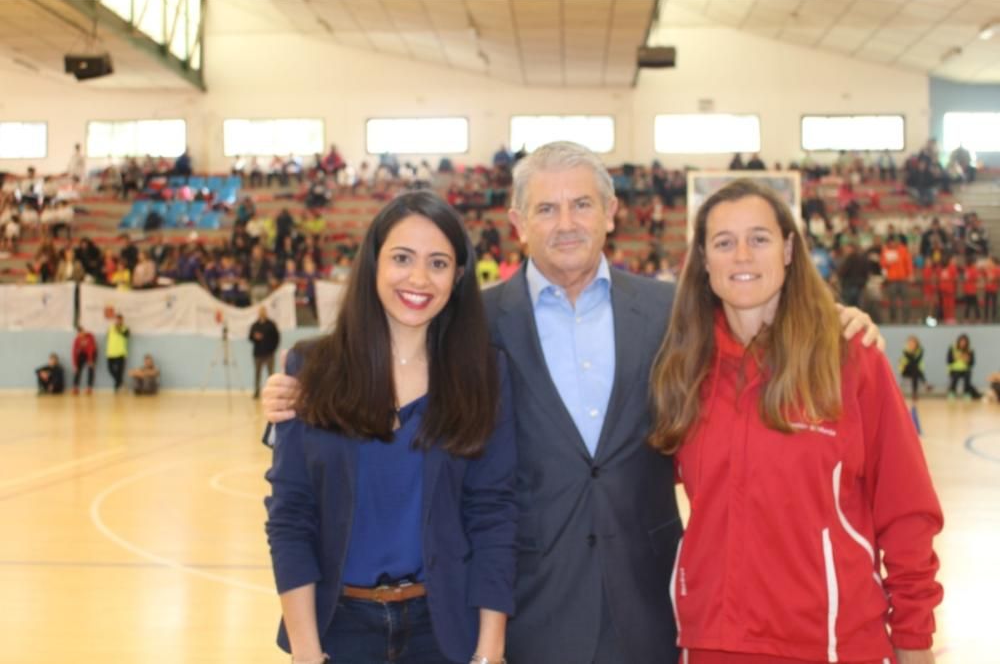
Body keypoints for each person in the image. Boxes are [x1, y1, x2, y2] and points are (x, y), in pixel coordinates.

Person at [261, 144, 881, 664]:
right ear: (517, 223)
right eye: (547, 208)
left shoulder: (673, 312)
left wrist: (837, 317)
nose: (566, 222)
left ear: (611, 212)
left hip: (650, 596)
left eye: (582, 204)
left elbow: (758, 312)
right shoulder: (478, 323)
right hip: (531, 603)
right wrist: (292, 389)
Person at [649, 179, 942, 664]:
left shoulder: (849, 357)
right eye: (724, 242)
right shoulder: (682, 367)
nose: (742, 255)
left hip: (833, 642)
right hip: (712, 643)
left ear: (787, 249)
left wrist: (914, 636)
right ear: (703, 259)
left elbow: (907, 509)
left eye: (759, 238)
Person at [264, 191, 516, 664]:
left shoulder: (484, 373)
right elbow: (291, 517)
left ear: (458, 277)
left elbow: (494, 515)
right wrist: (305, 652)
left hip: (443, 630)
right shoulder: (311, 369)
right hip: (338, 630)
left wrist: (489, 649)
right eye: (402, 258)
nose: (419, 278)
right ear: (373, 263)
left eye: (438, 263)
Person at [249, 306, 281, 399]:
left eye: (263, 311)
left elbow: (276, 338)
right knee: (257, 373)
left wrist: (273, 349)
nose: (262, 313)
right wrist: (255, 337)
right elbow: (250, 337)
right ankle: (257, 391)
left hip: (269, 353)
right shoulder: (255, 325)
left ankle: (272, 392)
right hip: (258, 353)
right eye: (260, 311)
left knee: (271, 374)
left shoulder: (271, 325)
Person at [947, 333, 981, 400]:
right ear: (958, 341)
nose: (963, 343)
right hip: (954, 369)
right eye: (961, 341)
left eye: (964, 342)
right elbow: (949, 360)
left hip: (966, 369)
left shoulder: (970, 350)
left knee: (967, 378)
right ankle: (952, 393)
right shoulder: (952, 348)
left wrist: (967, 360)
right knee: (955, 378)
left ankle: (967, 393)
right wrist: (956, 358)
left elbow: (972, 363)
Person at [899, 335, 931, 400]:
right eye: (910, 342)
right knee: (913, 366)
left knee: (914, 372)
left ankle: (914, 394)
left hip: (915, 371)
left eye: (913, 343)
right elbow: (912, 360)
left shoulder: (920, 350)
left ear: (916, 343)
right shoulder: (905, 350)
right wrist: (911, 352)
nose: (911, 344)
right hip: (905, 370)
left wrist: (912, 354)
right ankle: (925, 384)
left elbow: (917, 360)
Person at [106, 314, 130, 392]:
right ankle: (121, 383)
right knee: (110, 370)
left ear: (122, 320)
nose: (118, 321)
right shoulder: (110, 328)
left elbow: (126, 336)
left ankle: (116, 389)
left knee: (120, 372)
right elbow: (108, 337)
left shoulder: (125, 328)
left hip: (121, 353)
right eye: (117, 319)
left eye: (120, 320)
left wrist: (118, 330)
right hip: (111, 352)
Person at [72, 326, 97, 395]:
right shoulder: (77, 340)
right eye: (79, 333)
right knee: (77, 369)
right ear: (78, 334)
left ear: (84, 331)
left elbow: (90, 349)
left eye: (82, 332)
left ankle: (89, 387)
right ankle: (75, 387)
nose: (81, 334)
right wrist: (75, 365)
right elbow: (74, 352)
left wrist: (90, 360)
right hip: (82, 354)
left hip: (92, 353)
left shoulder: (90, 336)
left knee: (90, 369)